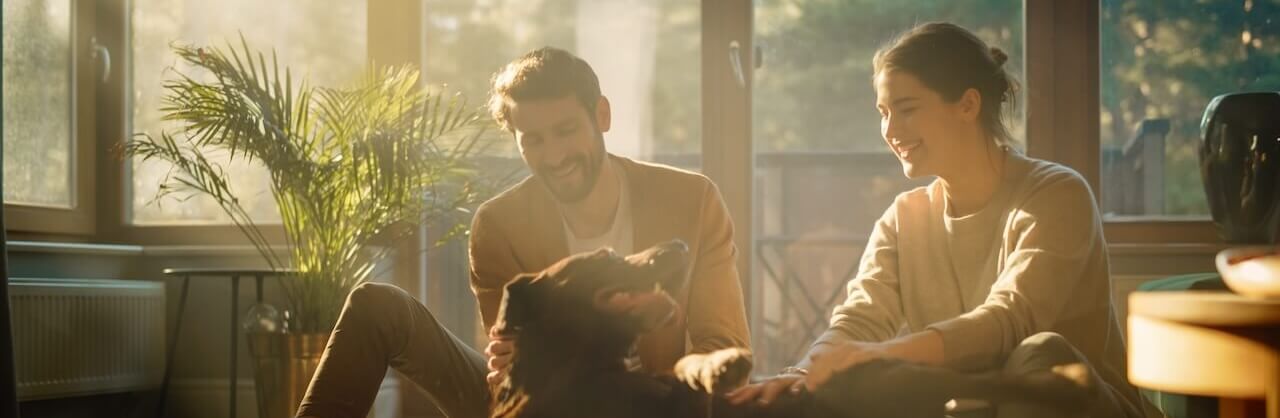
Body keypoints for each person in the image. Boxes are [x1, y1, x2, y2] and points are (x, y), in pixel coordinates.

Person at [726, 22, 1158, 418]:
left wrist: (881, 357)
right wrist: (804, 373)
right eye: (883, 112)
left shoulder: (1056, 194)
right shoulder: (904, 218)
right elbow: (859, 321)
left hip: (1079, 405)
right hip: (968, 406)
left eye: (907, 108)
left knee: (1039, 354)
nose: (891, 130)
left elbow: (1008, 320)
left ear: (968, 104)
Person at [295, 47, 750, 418]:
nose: (553, 156)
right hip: (536, 402)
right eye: (533, 139)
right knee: (377, 305)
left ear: (602, 115)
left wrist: (634, 397)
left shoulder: (692, 200)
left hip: (651, 402)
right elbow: (508, 372)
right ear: (515, 139)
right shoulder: (499, 224)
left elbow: (725, 347)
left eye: (566, 130)